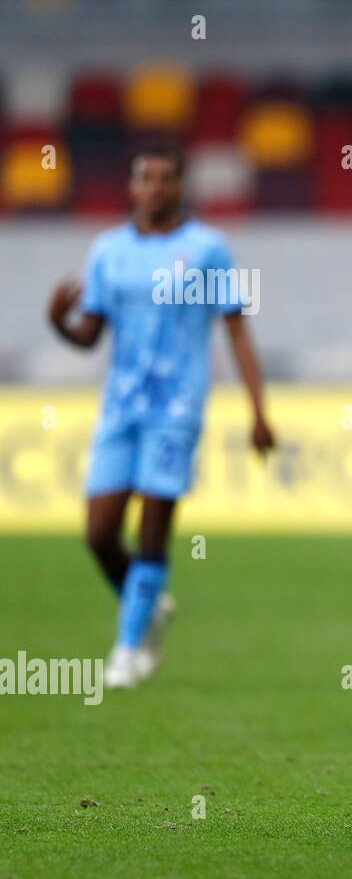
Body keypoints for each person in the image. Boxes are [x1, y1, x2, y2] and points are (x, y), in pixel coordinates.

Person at [47, 141, 274, 688]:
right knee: (99, 535)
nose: (155, 187)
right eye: (145, 177)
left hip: (177, 408)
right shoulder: (108, 251)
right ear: (132, 186)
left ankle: (129, 650)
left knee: (152, 529)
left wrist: (258, 410)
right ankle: (147, 601)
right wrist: (59, 323)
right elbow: (90, 334)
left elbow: (237, 329)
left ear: (179, 186)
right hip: (120, 407)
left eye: (165, 178)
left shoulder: (208, 248)